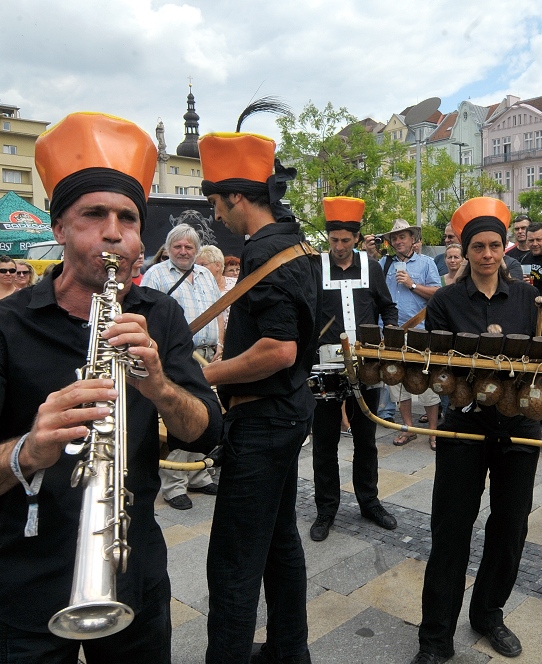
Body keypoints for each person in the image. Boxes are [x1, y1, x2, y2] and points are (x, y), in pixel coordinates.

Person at [0, 112, 221, 662]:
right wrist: (28, 450)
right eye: (94, 215)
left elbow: (207, 432)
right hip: (28, 581)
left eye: (128, 219)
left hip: (133, 573)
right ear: (58, 229)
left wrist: (159, 386)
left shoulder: (161, 314)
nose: (114, 232)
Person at [198, 129, 321, 664]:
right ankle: (290, 652)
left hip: (264, 419)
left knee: (233, 561)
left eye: (215, 202)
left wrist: (210, 374)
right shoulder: (288, 243)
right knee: (277, 543)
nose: (215, 213)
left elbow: (279, 350)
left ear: (238, 197)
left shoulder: (265, 251)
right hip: (285, 414)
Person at [411, 197, 541, 664]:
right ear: (465, 252)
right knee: (450, 531)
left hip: (520, 428)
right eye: (479, 247)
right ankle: (435, 638)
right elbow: (444, 374)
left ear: (506, 248)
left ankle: (488, 613)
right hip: (463, 428)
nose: (488, 254)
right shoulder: (445, 302)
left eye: (495, 246)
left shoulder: (527, 298)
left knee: (510, 527)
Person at [309, 195, 399, 543]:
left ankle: (369, 501)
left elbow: (388, 308)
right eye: (334, 240)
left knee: (366, 439)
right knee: (325, 441)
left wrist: (386, 342)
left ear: (357, 240)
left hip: (366, 367)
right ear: (328, 239)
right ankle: (325, 509)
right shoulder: (316, 266)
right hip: (324, 366)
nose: (340, 247)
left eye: (346, 240)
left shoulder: (371, 267)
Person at [141, 223, 223, 510]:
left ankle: (199, 475)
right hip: (176, 359)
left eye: (189, 246)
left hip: (207, 355)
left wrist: (220, 345)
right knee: (180, 417)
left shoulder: (204, 275)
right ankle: (174, 485)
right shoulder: (156, 275)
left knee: (206, 417)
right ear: (168, 248)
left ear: (196, 250)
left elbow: (218, 313)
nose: (184, 251)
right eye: (178, 246)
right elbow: (147, 322)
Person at [375, 218, 442, 446]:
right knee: (396, 381)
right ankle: (408, 428)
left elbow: (437, 294)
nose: (398, 241)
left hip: (420, 332)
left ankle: (434, 431)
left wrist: (412, 284)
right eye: (394, 237)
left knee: (426, 381)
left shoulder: (426, 263)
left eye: (402, 236)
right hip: (392, 332)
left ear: (413, 240)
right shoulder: (384, 264)